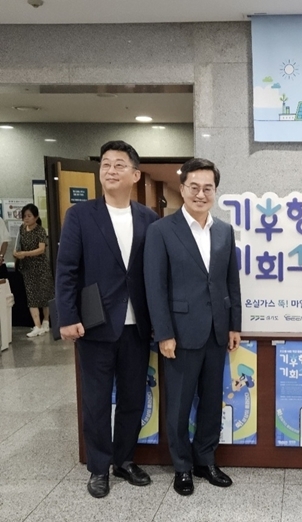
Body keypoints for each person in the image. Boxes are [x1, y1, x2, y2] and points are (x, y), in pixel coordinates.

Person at [55, 140, 158, 498]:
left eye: (119, 165)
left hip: (137, 327)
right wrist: (67, 317)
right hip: (95, 324)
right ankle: (99, 467)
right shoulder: (80, 215)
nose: (110, 170)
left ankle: (124, 460)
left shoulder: (148, 219)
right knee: (97, 401)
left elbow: (153, 275)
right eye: (106, 164)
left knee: (132, 398)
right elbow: (66, 270)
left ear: (135, 175)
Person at [144, 157, 242, 497]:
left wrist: (234, 325)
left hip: (217, 331)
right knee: (180, 404)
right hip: (180, 334)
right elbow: (155, 287)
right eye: (194, 187)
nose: (201, 194)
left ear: (215, 191)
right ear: (183, 188)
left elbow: (231, 282)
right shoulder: (161, 231)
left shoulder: (224, 231)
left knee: (212, 402)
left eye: (208, 188)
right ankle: (182, 467)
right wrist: (164, 333)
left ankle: (205, 460)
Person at [13, 204, 54, 337]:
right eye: (24, 216)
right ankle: (37, 325)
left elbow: (41, 249)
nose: (26, 218)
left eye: (29, 216)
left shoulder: (40, 230)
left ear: (36, 217)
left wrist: (25, 253)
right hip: (27, 268)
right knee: (32, 297)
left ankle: (46, 321)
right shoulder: (21, 229)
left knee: (45, 295)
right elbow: (18, 245)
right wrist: (17, 254)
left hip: (41, 267)